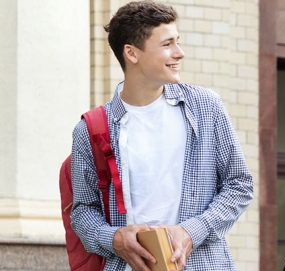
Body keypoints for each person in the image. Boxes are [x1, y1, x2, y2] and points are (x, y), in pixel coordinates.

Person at [69, 1, 254, 270]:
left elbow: (239, 185)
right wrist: (114, 238)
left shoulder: (206, 107)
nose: (179, 53)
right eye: (167, 44)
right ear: (132, 54)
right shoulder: (91, 128)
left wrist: (192, 231)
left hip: (203, 264)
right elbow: (83, 211)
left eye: (177, 42)